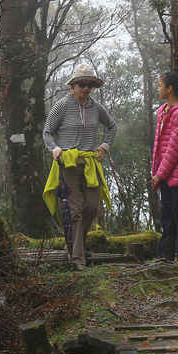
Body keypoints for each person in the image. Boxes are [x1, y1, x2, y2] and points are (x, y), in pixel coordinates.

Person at [42, 63, 117, 271]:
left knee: (92, 207)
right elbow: (47, 132)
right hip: (68, 164)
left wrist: (104, 146)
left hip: (90, 164)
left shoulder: (96, 107)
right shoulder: (62, 106)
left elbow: (112, 126)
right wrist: (55, 148)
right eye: (82, 84)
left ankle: (74, 245)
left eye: (90, 85)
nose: (86, 88)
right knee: (74, 211)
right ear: (72, 85)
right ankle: (77, 259)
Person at [151, 72, 178, 265]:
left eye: (160, 85)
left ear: (170, 89)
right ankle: (164, 257)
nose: (158, 89)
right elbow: (159, 147)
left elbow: (174, 148)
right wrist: (157, 172)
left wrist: (160, 173)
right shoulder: (162, 111)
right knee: (167, 216)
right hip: (166, 175)